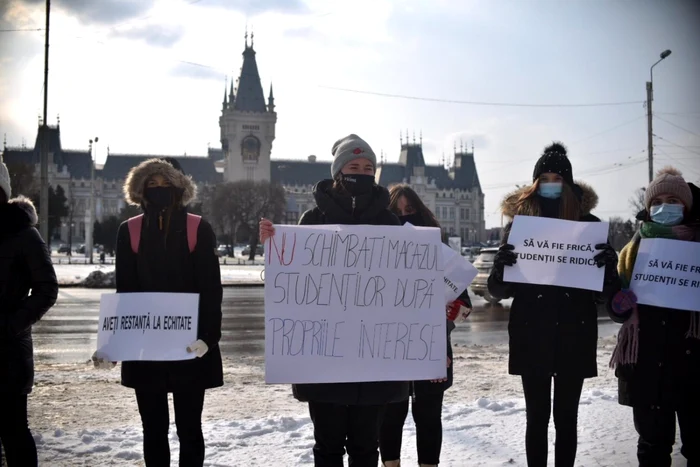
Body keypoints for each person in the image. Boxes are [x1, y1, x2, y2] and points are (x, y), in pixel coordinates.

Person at [259, 134, 409, 467]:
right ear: (339, 172)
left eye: (369, 167)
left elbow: (403, 287)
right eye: (354, 166)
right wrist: (274, 251)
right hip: (324, 361)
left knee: (366, 447)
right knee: (327, 447)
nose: (362, 172)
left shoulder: (389, 223)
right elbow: (286, 285)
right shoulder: (312, 221)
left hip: (374, 360)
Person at [486, 142, 619, 467]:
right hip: (533, 333)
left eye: (556, 178)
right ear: (534, 185)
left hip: (575, 333)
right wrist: (502, 265)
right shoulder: (519, 226)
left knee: (566, 420)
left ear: (569, 184)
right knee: (536, 419)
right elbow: (497, 291)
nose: (550, 184)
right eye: (543, 178)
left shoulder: (589, 224)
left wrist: (608, 266)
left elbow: (605, 295)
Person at [93, 158, 223, 467]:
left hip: (191, 347)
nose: (160, 190)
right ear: (141, 189)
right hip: (145, 349)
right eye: (152, 185)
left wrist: (209, 336)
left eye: (166, 184)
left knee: (190, 429)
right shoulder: (131, 230)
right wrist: (113, 344)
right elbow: (125, 294)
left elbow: (211, 288)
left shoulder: (197, 227)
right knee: (153, 430)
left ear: (179, 187)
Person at [608, 167, 699, 467]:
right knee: (652, 448)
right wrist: (618, 305)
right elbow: (617, 309)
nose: (664, 206)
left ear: (686, 206)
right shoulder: (631, 251)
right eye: (656, 201)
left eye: (673, 199)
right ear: (648, 208)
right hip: (648, 367)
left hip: (692, 366)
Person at [379, 184, 472, 467]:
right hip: (389, 351)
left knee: (429, 418)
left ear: (421, 212)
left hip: (433, 353)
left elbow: (464, 308)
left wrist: (451, 314)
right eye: (397, 212)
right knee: (389, 417)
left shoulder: (441, 253)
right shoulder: (377, 255)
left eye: (410, 210)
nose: (405, 218)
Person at [0, 156, 58, 466]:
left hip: (8, 354)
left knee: (13, 432)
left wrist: (10, 325)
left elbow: (47, 289)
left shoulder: (23, 234)